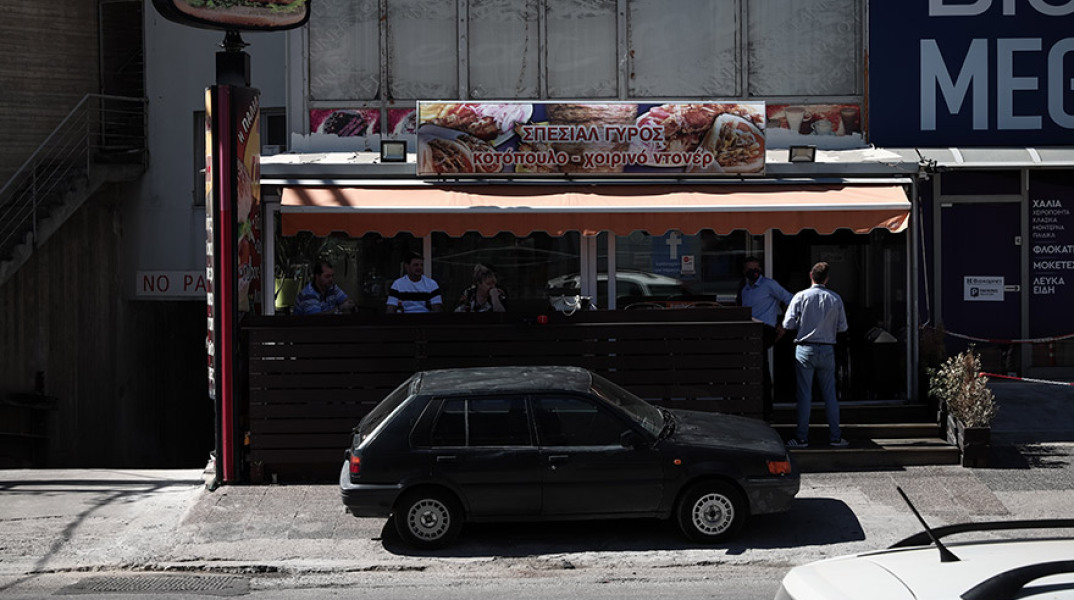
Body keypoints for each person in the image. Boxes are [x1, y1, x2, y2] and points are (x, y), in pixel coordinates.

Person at [781, 261, 849, 448]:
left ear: (811, 275)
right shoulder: (835, 298)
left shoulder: (801, 296)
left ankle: (802, 437)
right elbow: (843, 327)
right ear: (827, 278)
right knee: (830, 395)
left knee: (804, 394)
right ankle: (835, 437)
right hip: (827, 348)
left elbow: (788, 325)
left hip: (805, 348)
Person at [737, 256, 793, 420]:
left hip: (765, 329)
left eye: (755, 269)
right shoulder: (745, 288)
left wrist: (783, 325)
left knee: (760, 369)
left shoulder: (769, 285)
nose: (753, 272)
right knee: (752, 369)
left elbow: (791, 300)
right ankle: (754, 406)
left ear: (760, 270)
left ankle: (765, 409)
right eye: (749, 269)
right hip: (749, 331)